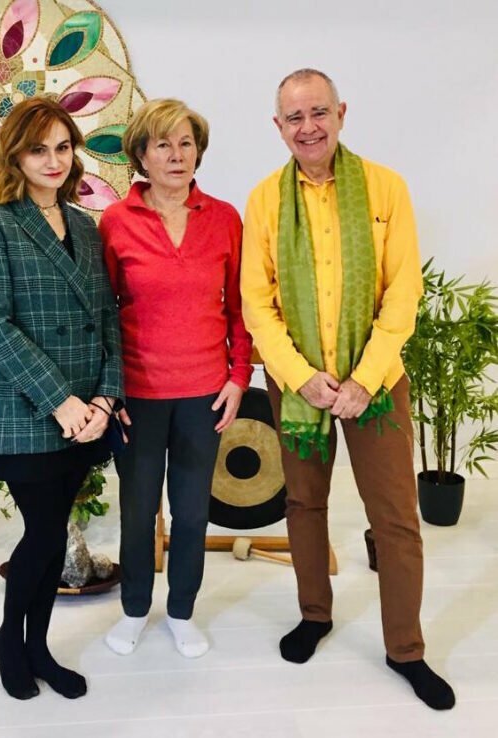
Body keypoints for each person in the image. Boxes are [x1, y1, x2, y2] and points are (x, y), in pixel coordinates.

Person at [240, 69, 455, 710]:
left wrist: (364, 379)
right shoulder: (264, 201)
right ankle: (314, 615)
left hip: (376, 385)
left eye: (318, 113)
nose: (308, 127)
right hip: (298, 385)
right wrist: (300, 375)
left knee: (396, 519)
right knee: (304, 504)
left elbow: (404, 292)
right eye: (294, 117)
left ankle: (406, 649)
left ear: (341, 113)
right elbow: (257, 304)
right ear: (278, 127)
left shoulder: (387, 188)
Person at [0, 97, 123, 700]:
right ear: (15, 154)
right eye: (39, 149)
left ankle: (38, 648)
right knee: (44, 532)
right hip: (27, 407)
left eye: (63, 147)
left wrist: (104, 399)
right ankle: (11, 641)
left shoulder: (85, 224)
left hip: (86, 412)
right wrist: (62, 403)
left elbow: (108, 319)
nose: (54, 160)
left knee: (54, 535)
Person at [99, 98, 253, 658]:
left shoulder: (225, 218)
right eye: (163, 144)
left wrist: (239, 377)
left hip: (204, 394)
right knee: (139, 511)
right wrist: (110, 390)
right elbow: (104, 313)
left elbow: (239, 308)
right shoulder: (116, 222)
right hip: (137, 396)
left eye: (186, 143)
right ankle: (135, 609)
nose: (176, 155)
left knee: (192, 512)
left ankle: (182, 611)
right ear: (141, 155)